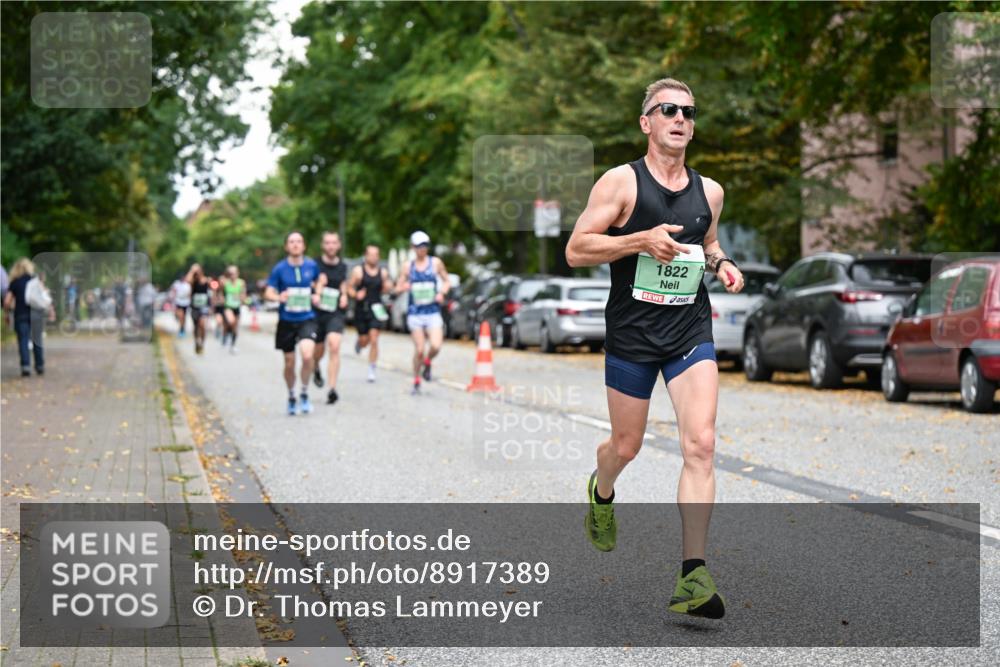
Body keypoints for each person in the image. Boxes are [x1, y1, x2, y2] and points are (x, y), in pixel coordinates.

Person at [565, 77, 745, 620]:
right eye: (668, 110)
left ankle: (693, 574)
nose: (680, 119)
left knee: (703, 444)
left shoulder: (709, 191)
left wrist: (722, 263)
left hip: (689, 329)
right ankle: (602, 489)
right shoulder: (620, 183)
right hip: (632, 334)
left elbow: (708, 241)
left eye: (689, 112)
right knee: (627, 445)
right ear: (647, 122)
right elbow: (576, 249)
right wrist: (640, 240)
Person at [264, 231, 319, 416]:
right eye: (291, 242)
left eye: (299, 241)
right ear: (286, 246)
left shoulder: (312, 265)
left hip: (307, 318)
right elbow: (268, 292)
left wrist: (317, 293)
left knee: (307, 354)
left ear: (304, 246)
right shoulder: (279, 269)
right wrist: (279, 297)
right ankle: (291, 395)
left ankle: (304, 391)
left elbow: (320, 282)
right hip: (287, 320)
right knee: (289, 363)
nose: (295, 245)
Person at [394, 231, 450, 394]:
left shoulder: (435, 263)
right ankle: (416, 379)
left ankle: (427, 361)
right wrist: (402, 287)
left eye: (425, 245)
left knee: (436, 345)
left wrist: (442, 293)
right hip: (415, 313)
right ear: (413, 247)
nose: (422, 249)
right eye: (419, 246)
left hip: (432, 311)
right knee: (419, 349)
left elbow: (446, 281)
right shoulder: (407, 266)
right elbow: (397, 287)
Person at [311, 232, 349, 404]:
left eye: (334, 243)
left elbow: (343, 284)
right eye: (327, 243)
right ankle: (316, 366)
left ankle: (332, 388)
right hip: (318, 313)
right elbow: (307, 283)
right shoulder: (314, 265)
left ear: (339, 245)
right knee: (318, 351)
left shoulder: (342, 266)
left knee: (334, 345)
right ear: (322, 245)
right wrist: (317, 286)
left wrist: (344, 296)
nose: (331, 246)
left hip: (335, 312)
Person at [347, 244, 392, 383]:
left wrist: (387, 288)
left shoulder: (382, 272)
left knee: (374, 339)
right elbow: (349, 288)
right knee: (364, 340)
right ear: (366, 256)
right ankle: (360, 343)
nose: (373, 257)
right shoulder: (358, 271)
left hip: (376, 309)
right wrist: (355, 294)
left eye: (376, 255)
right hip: (361, 309)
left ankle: (372, 368)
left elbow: (386, 288)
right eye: (371, 254)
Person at [3, 258, 44, 376]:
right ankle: (39, 365)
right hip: (36, 315)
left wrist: (7, 313)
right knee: (37, 340)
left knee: (23, 340)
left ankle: (25, 366)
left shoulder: (15, 282)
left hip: (21, 314)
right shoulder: (35, 281)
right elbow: (44, 296)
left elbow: (7, 302)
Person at [220, 265, 246, 354]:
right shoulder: (225, 282)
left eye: (234, 273)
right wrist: (222, 299)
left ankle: (233, 345)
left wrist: (241, 298)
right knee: (231, 321)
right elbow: (221, 293)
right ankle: (225, 335)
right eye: (230, 273)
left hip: (237, 306)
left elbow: (243, 294)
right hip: (228, 306)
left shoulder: (241, 282)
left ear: (238, 273)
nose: (232, 275)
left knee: (235, 328)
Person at [187, 264, 212, 355]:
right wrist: (192, 270)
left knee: (202, 324)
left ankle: (202, 343)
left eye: (198, 271)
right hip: (194, 306)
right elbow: (187, 280)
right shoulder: (193, 281)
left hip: (204, 306)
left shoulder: (207, 280)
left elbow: (212, 293)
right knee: (196, 326)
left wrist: (211, 306)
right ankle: (197, 341)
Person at [169, 272, 192, 337]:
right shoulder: (176, 283)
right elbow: (173, 291)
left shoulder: (187, 285)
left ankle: (182, 329)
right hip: (178, 302)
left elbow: (189, 294)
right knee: (180, 316)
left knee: (183, 317)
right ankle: (181, 328)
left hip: (185, 303)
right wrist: (172, 300)